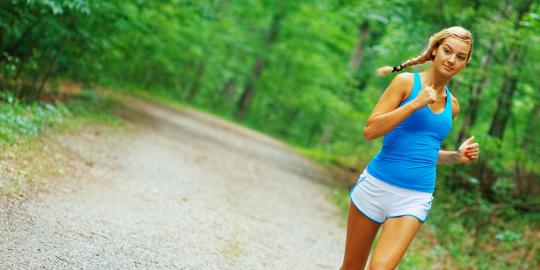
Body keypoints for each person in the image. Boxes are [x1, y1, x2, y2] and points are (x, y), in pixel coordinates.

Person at [340, 26, 480, 270]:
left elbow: (423, 153)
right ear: (435, 50)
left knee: (380, 268)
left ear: (465, 64)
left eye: (460, 57)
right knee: (352, 266)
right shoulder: (405, 83)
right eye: (447, 51)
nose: (451, 60)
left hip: (415, 196)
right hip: (376, 185)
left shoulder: (453, 106)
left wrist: (456, 157)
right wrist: (414, 104)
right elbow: (370, 130)